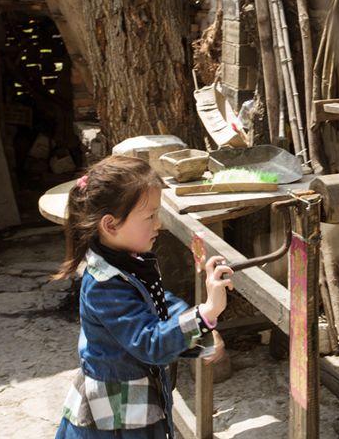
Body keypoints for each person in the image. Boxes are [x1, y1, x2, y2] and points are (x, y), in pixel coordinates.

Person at [52, 155, 233, 438]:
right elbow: (149, 343)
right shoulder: (103, 285)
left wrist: (202, 329)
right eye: (150, 216)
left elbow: (161, 301)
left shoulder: (131, 260)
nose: (158, 224)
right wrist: (205, 313)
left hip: (138, 401)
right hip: (116, 416)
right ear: (110, 225)